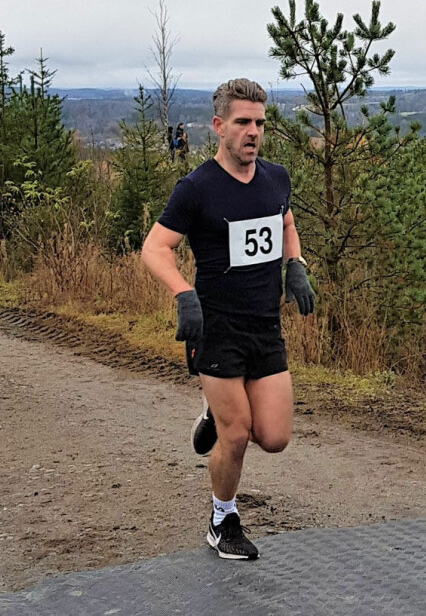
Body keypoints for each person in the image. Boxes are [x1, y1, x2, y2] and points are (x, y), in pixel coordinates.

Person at [141, 78, 315, 561]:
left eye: (259, 122)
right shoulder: (197, 188)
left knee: (275, 437)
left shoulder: (276, 178)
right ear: (219, 127)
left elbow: (285, 222)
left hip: (264, 327)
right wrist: (183, 293)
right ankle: (224, 520)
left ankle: (212, 417)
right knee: (237, 433)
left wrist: (295, 265)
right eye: (242, 122)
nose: (253, 132)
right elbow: (154, 248)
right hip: (215, 328)